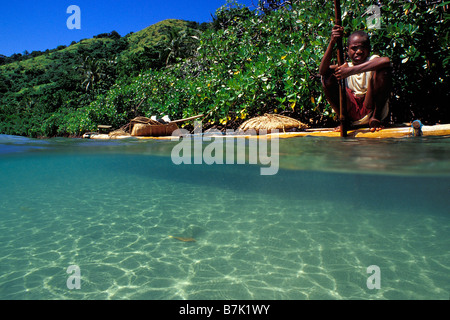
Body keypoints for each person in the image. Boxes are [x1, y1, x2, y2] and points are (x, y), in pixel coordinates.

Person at [319, 26, 392, 132]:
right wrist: (332, 42)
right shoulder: (344, 66)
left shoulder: (372, 60)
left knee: (384, 71)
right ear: (347, 50)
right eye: (354, 48)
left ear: (369, 49)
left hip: (371, 109)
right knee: (327, 78)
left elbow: (386, 61)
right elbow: (322, 71)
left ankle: (375, 118)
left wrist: (351, 71)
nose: (358, 51)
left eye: (362, 48)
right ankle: (345, 120)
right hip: (351, 111)